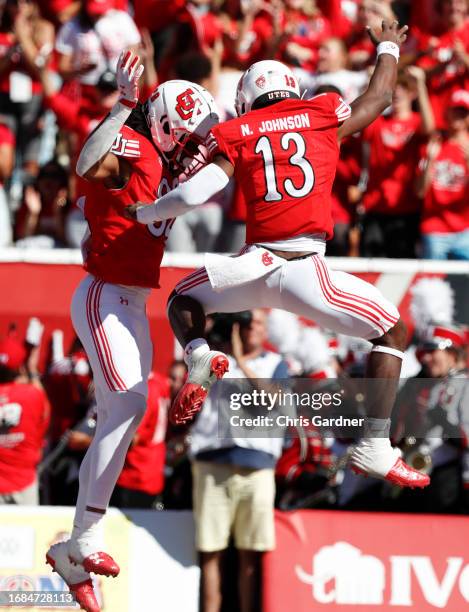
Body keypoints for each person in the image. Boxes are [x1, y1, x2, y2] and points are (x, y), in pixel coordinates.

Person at [128, 21, 431, 490]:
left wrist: (150, 211)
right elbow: (379, 98)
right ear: (292, 87)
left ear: (248, 98)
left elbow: (198, 193)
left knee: (181, 300)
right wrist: (388, 43)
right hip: (305, 268)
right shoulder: (322, 112)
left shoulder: (239, 129)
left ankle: (200, 355)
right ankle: (374, 443)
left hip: (255, 265)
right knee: (392, 330)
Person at [45, 50, 219, 612]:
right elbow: (87, 166)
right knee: (130, 400)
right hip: (102, 294)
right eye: (187, 136)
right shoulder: (137, 145)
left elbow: (214, 157)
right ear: (166, 127)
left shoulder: (169, 157)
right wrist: (124, 104)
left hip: (132, 301)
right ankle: (84, 538)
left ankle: (75, 547)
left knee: (126, 414)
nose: (194, 146)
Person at [190, 310, 287, 612]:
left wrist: (241, 361)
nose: (250, 328)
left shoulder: (276, 364)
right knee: (210, 550)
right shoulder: (216, 361)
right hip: (212, 461)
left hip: (256, 466)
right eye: (245, 322)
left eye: (256, 323)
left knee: (250, 552)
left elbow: (271, 399)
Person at [417, 89, 469, 260]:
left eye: (463, 113)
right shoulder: (434, 144)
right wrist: (430, 161)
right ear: (447, 113)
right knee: (431, 283)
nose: (459, 117)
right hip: (435, 229)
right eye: (455, 111)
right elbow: (419, 192)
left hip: (464, 229)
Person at [0, 334, 50, 505]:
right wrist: (32, 370)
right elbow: (45, 417)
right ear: (20, 368)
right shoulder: (33, 394)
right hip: (25, 484)